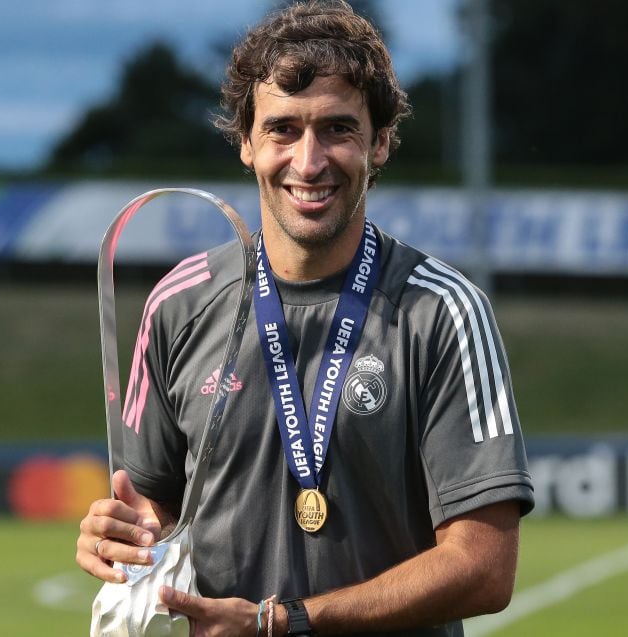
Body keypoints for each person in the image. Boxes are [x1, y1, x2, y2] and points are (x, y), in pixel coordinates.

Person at [77, 2, 534, 635]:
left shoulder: (442, 312)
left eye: (338, 130)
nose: (309, 161)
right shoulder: (178, 304)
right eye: (283, 130)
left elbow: (484, 566)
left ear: (379, 142)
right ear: (246, 141)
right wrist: (121, 538)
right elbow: (151, 513)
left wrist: (284, 622)